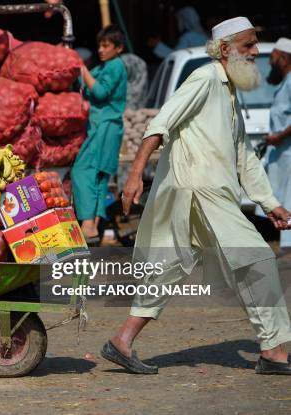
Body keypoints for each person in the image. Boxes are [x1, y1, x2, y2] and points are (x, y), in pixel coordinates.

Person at [100, 17, 291, 376]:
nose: (255, 53)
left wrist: (270, 203)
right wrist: (135, 174)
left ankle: (121, 341)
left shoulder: (228, 90)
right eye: (248, 45)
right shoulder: (204, 78)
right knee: (258, 260)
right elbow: (161, 123)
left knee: (169, 269)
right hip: (199, 189)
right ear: (224, 49)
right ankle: (273, 351)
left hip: (203, 192)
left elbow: (243, 156)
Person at [71, 24, 127, 244]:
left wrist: (82, 68)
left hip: (106, 127)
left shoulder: (115, 66)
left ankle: (87, 221)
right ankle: (92, 226)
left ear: (119, 48)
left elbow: (101, 92)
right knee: (98, 176)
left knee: (82, 171)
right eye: (100, 46)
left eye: (106, 46)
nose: (101, 50)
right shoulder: (105, 67)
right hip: (101, 127)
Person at [262, 38, 291, 264]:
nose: (270, 61)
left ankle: (289, 249)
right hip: (280, 155)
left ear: (283, 58)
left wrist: (278, 136)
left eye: (272, 56)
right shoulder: (284, 83)